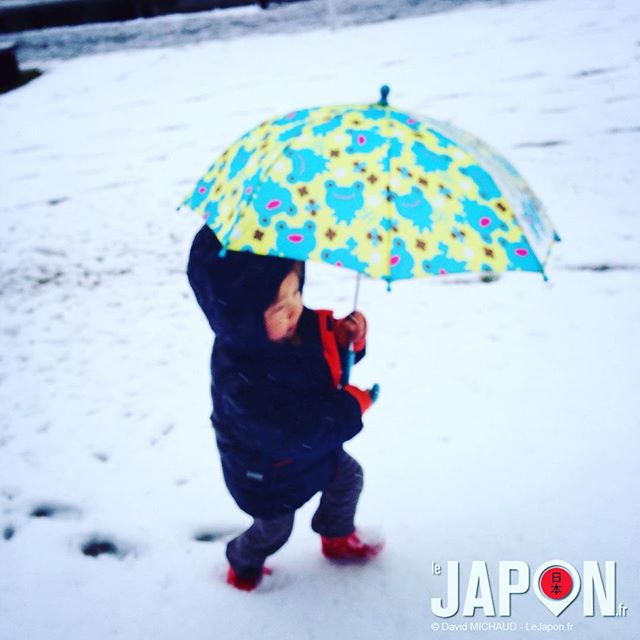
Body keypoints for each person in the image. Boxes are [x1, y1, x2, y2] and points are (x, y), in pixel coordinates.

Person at [187, 224, 383, 591]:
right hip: (268, 474)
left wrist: (346, 341)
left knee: (348, 479)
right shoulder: (242, 378)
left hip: (311, 456)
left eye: (295, 290)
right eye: (277, 306)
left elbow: (322, 371)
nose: (294, 307)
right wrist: (349, 408)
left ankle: (336, 536)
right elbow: (291, 434)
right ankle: (242, 561)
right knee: (273, 531)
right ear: (240, 316)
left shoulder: (294, 329)